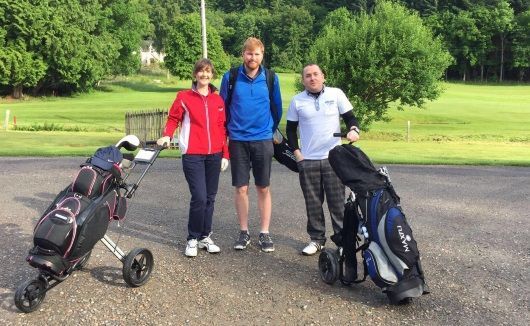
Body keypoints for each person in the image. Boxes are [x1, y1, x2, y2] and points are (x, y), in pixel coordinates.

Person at [157, 58, 229, 257]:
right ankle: (192, 238)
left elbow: (221, 128)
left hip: (214, 154)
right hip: (193, 155)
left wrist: (225, 154)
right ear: (195, 74)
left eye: (208, 72)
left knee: (210, 198)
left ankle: (205, 236)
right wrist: (167, 135)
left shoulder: (217, 100)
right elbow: (173, 119)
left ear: (212, 75)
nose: (204, 75)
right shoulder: (184, 97)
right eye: (201, 71)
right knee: (199, 197)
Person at [286, 63, 360, 256]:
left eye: (316, 74)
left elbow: (351, 118)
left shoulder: (336, 94)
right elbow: (291, 129)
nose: (312, 78)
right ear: (303, 80)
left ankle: (342, 242)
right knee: (313, 203)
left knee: (337, 204)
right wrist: (297, 153)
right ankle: (317, 239)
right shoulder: (297, 101)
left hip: (333, 158)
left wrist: (354, 129)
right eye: (308, 76)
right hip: (308, 160)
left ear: (323, 76)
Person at [219, 37, 282, 253]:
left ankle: (264, 232)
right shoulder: (231, 77)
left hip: (263, 139)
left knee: (263, 187)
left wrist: (267, 129)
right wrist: (227, 133)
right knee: (241, 187)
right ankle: (244, 231)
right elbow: (223, 107)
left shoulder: (271, 78)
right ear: (242, 54)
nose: (252, 57)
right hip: (237, 139)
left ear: (262, 55)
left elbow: (277, 109)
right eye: (248, 53)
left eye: (256, 54)